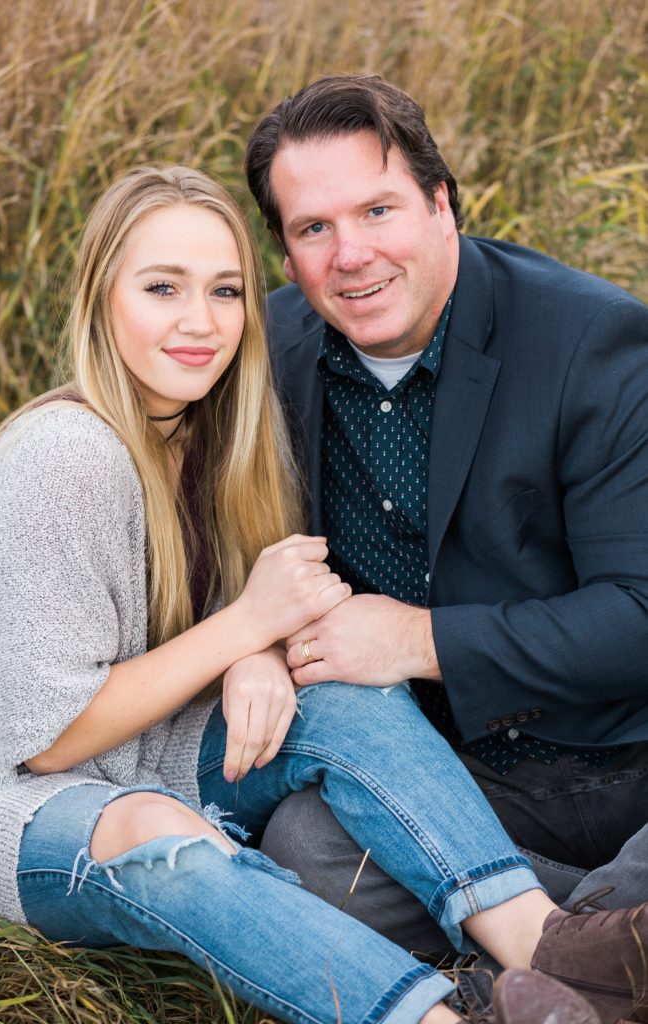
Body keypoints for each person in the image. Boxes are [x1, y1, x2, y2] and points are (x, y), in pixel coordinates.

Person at [0, 163, 615, 1024]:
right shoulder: (62, 456)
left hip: (160, 747)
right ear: (100, 298)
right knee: (164, 843)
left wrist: (265, 654)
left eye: (226, 291)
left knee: (342, 692)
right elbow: (47, 742)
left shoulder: (222, 435)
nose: (201, 323)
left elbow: (259, 609)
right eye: (163, 288)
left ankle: (550, 955)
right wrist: (245, 628)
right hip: (10, 797)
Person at [241, 75, 648, 1021]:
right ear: (285, 249)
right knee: (304, 853)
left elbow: (638, 613)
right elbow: (221, 551)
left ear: (439, 202)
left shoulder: (594, 342)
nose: (352, 256)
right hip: (452, 781)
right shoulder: (263, 352)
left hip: (627, 753)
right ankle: (585, 956)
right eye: (313, 229)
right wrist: (253, 645)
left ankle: (505, 977)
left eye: (377, 209)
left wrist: (418, 640)